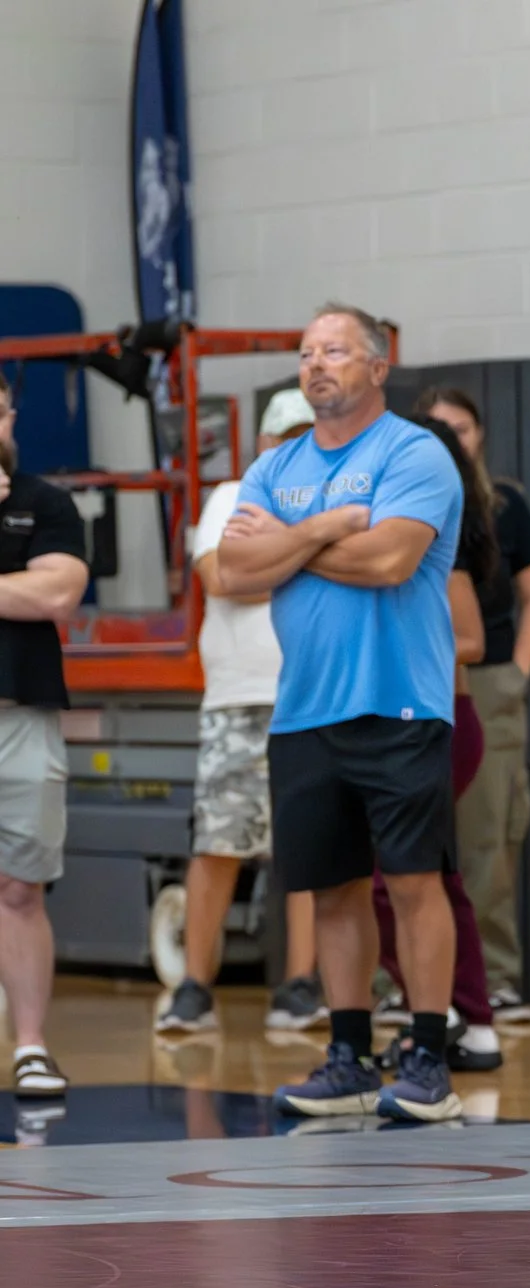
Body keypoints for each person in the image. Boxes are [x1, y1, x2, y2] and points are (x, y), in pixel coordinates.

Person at [212, 304, 468, 1125]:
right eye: (306, 352)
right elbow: (231, 569)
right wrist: (323, 526)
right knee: (331, 891)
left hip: (400, 702)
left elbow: (393, 558)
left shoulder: (415, 451)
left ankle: (429, 1057)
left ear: (377, 365)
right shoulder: (278, 465)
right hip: (304, 712)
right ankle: (350, 1056)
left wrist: (283, 542)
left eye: (335, 350)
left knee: (415, 881)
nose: (316, 363)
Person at [154, 389, 324, 1035]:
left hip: (310, 694)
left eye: (307, 435)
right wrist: (306, 558)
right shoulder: (233, 495)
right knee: (218, 843)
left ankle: (301, 985)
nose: (295, 447)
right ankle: (195, 985)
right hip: (238, 698)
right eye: (285, 436)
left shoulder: (328, 503)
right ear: (263, 444)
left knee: (307, 848)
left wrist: (276, 559)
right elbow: (223, 577)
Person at [410, 385, 530, 1023]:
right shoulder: (405, 503)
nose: (451, 439)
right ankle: (408, 985)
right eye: (438, 427)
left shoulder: (503, 504)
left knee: (489, 835)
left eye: (461, 428)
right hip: (413, 682)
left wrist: (517, 672)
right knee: (411, 840)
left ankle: (494, 979)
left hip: (486, 678)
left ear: (480, 435)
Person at [367, 416, 504, 1074]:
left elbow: (474, 642)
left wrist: (414, 638)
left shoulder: (437, 561)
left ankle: (472, 1016)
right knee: (385, 880)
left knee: (423, 876)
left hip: (446, 715)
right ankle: (437, 1004)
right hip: (400, 719)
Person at [0, 378, 94, 1094]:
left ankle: (30, 1045)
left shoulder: (46, 503)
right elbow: (28, 592)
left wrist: (32, 590)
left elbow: (58, 594)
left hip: (21, 711)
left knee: (20, 887)